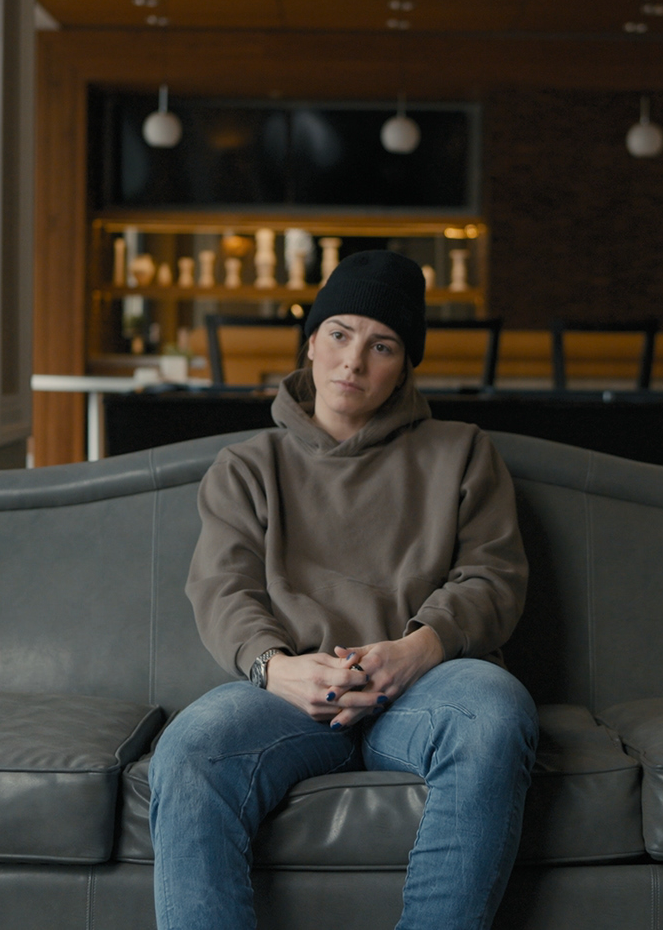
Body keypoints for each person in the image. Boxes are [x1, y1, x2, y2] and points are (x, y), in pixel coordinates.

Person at [149, 249, 538, 930]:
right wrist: (277, 668)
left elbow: (492, 577)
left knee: (495, 711)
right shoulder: (247, 466)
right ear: (310, 342)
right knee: (190, 747)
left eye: (381, 345)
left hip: (425, 687)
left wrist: (416, 651)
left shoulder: (463, 451)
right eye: (339, 333)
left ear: (404, 365)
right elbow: (223, 589)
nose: (353, 361)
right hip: (289, 695)